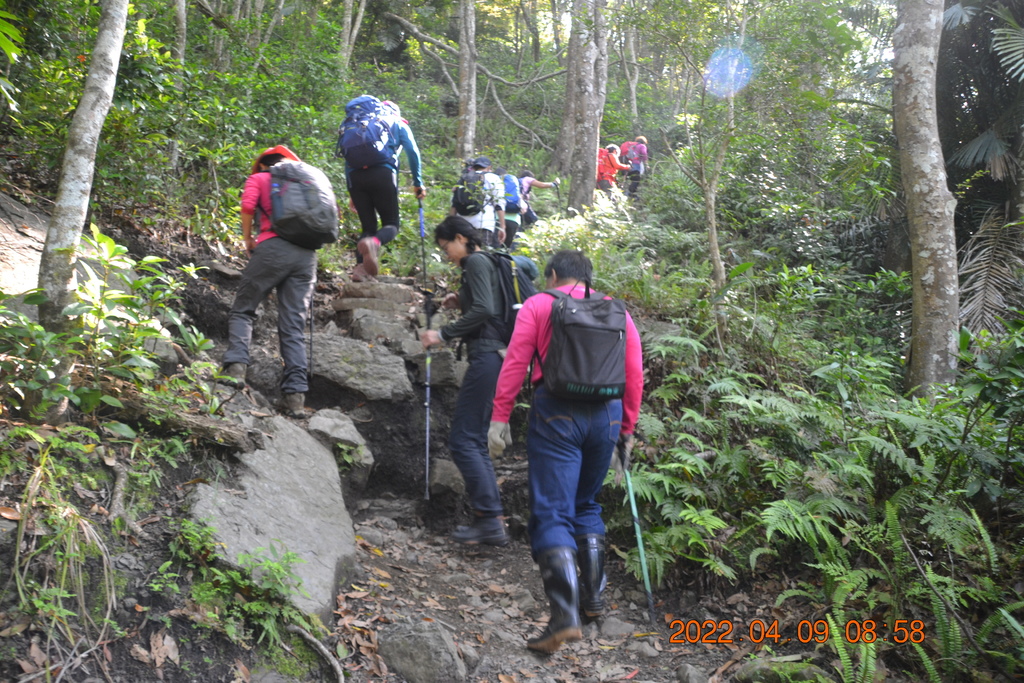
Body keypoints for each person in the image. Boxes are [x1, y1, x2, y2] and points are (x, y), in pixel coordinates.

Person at [487, 250, 644, 653]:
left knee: (552, 512)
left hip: (556, 412)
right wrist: (626, 430)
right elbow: (633, 374)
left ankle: (563, 618)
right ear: (589, 277)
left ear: (553, 274)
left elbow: (516, 362)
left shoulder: (540, 305)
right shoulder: (617, 311)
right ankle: (592, 600)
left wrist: (500, 417)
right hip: (606, 416)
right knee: (587, 504)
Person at [419, 216, 511, 547]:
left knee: (464, 439)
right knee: (471, 438)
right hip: (497, 356)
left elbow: (486, 310)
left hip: (488, 357)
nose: (447, 255)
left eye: (447, 248)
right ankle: (491, 519)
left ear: (461, 238)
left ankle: (490, 520)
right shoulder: (490, 260)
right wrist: (461, 300)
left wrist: (441, 333)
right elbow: (490, 304)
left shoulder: (474, 261)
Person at [221, 145, 321, 418]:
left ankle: (235, 369)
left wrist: (248, 239)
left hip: (272, 249)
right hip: (306, 258)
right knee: (293, 326)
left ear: (263, 164)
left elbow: (247, 207)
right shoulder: (308, 182)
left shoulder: (260, 178)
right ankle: (295, 397)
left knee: (244, 308)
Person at [342, 96, 426, 282]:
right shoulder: (396, 121)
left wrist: (352, 191)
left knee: (368, 227)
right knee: (391, 224)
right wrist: (418, 182)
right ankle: (374, 243)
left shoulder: (355, 124)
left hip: (355, 177)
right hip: (383, 174)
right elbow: (412, 151)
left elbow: (347, 158)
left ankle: (360, 270)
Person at [450, 156, 506, 249]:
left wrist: (450, 225)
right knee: (481, 256)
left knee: (464, 256)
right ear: (489, 167)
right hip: (484, 224)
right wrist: (502, 227)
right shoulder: (494, 178)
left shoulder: (464, 178)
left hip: (462, 224)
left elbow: (454, 204)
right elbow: (499, 204)